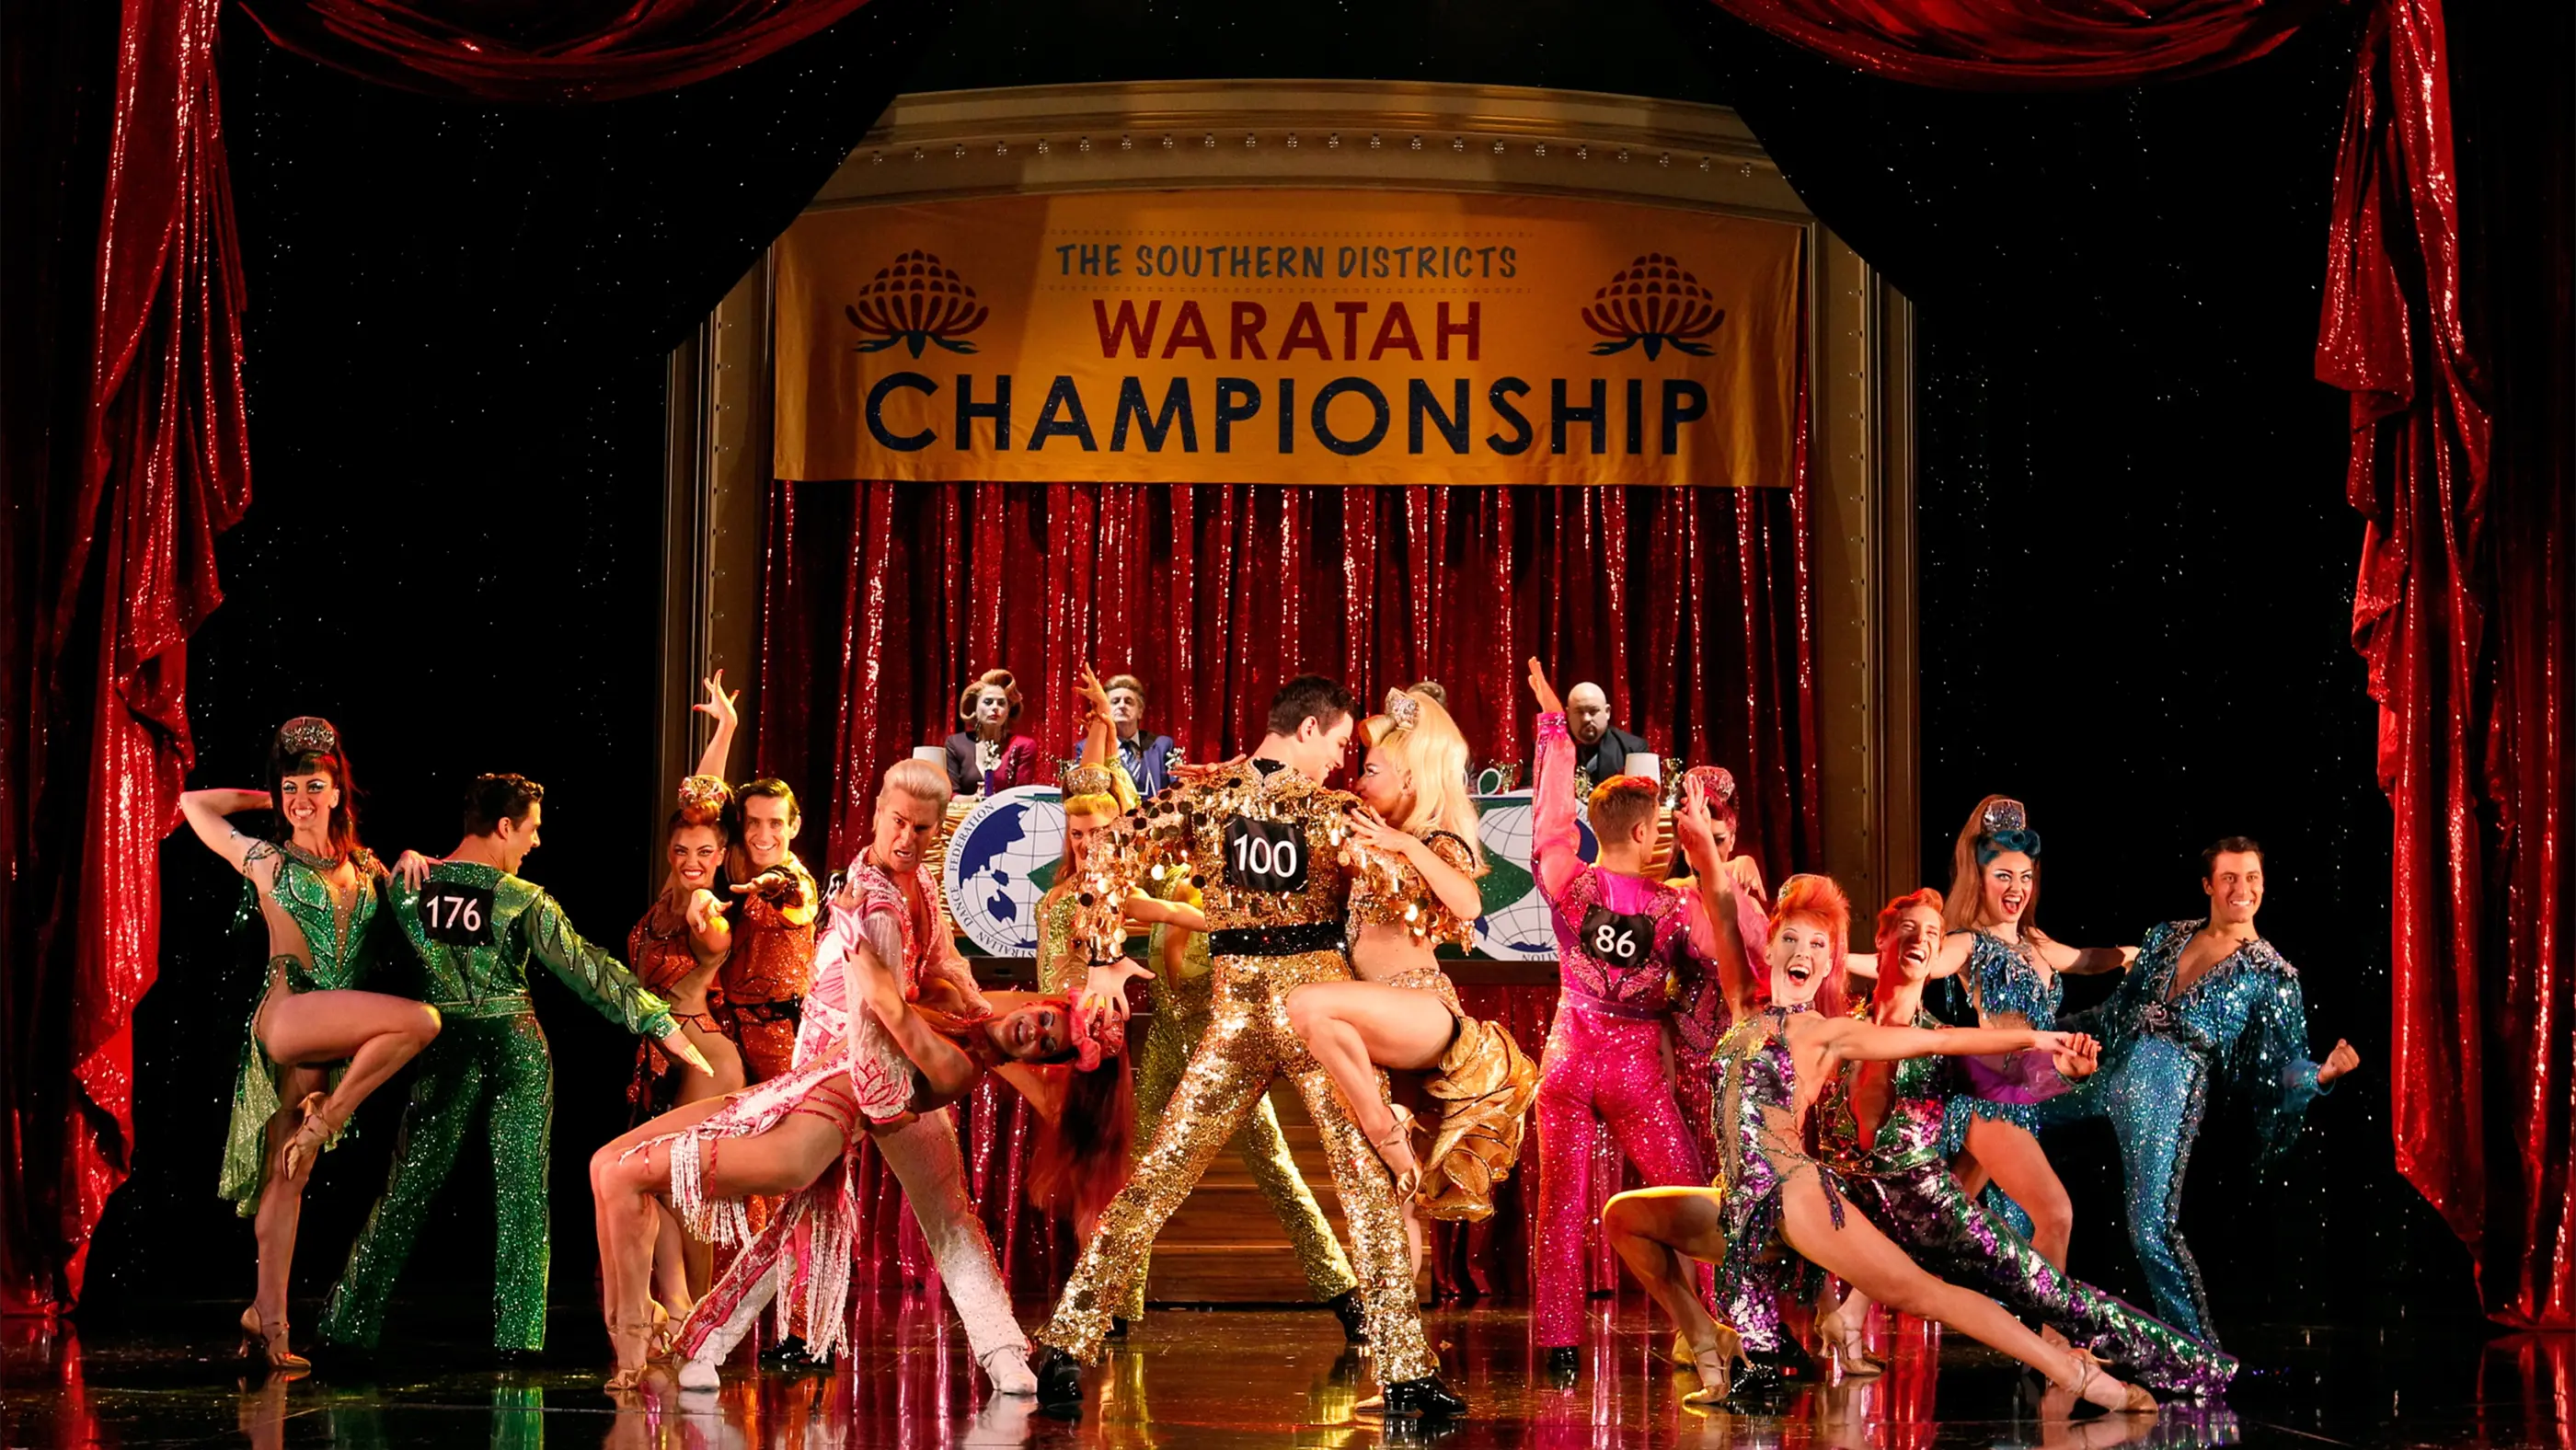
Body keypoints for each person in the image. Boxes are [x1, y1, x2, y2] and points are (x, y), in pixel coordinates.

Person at [592, 758, 1130, 1395]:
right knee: (802, 1211)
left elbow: (934, 974)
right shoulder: (867, 897)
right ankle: (705, 1342)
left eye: (923, 829)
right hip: (838, 1075)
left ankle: (1005, 1354)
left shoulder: (918, 892)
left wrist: (966, 1004)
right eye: (899, 822)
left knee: (947, 1216)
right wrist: (904, 978)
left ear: (936, 832)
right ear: (876, 812)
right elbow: (888, 1008)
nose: (907, 837)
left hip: (891, 1075)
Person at [1029, 675, 1466, 1421]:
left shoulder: (1201, 795)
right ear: (1307, 731)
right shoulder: (1337, 812)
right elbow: (1434, 906)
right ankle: (1404, 1374)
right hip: (1314, 1011)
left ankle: (1065, 1346)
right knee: (1362, 1181)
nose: (1338, 760)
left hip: (1236, 1011)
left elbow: (1104, 856)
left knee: (1157, 1178)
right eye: (1335, 744)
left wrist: (1101, 953)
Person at [1597, 855, 2156, 1414]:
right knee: (1624, 1217)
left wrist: (2042, 1042)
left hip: (1797, 1198)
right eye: (1792, 939)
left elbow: (1939, 1043)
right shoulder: (1746, 1010)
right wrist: (1710, 855)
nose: (1804, 954)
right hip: (1741, 1205)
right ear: (1769, 949)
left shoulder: (1828, 1033)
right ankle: (1708, 1342)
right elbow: (1722, 911)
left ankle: (2080, 1377)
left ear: (1828, 968)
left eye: (1820, 948)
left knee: (1923, 1293)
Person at [316, 773, 710, 1354]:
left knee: (407, 1190)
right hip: (514, 1049)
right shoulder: (519, 898)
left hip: (446, 1043)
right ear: (504, 827)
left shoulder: (405, 886)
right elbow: (587, 969)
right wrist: (661, 1023)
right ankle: (519, 1341)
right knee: (522, 1196)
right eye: (531, 830)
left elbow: (354, 940)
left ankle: (344, 1328)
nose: (536, 843)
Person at [1030, 671, 1363, 1335]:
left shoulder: (1195, 890)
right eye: (1075, 834)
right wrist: (1099, 969)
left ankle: (1346, 1297)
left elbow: (1128, 829)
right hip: (1164, 1053)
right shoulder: (1093, 896)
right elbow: (1112, 839)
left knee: (1278, 1171)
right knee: (1141, 1180)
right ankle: (1112, 1309)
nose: (1085, 843)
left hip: (1229, 1038)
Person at [1806, 888, 2236, 1399]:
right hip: (1859, 1219)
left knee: (2049, 1289)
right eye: (1908, 929)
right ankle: (1835, 1320)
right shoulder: (1833, 1030)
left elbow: (2007, 1074)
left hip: (1939, 1216)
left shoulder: (1945, 1044)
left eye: (1931, 934)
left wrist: (2061, 1066)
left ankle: (2190, 1367)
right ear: (1881, 939)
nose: (1920, 940)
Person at [178, 718, 443, 1374]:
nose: (301, 799)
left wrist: (412, 860)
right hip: (288, 1014)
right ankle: (330, 1118)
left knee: (287, 1178)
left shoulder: (367, 867)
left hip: (330, 1039)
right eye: (291, 786)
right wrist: (270, 797)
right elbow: (193, 806)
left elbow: (425, 902)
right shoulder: (266, 860)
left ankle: (269, 1321)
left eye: (313, 786)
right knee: (420, 1022)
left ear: (337, 791)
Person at [2038, 837, 2362, 1342]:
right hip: (2109, 1063)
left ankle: (2198, 1352)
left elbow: (2281, 1066)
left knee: (2149, 1231)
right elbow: (2114, 1010)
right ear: (2209, 885)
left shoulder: (2271, 975)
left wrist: (2321, 1076)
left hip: (2167, 1089)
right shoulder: (2168, 936)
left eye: (2252, 878)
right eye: (2230, 878)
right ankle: (2009, 1281)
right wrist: (2042, 1036)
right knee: (2012, 1114)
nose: (2243, 889)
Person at [1281, 686, 1536, 1246]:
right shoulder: (1364, 840)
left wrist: (1405, 844)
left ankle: (1383, 1128)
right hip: (1378, 1018)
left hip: (1424, 1009)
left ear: (1410, 780)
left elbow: (1468, 902)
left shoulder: (1434, 840)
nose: (1360, 781)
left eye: (1371, 770)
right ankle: (1394, 1328)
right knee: (1396, 1209)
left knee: (1305, 1002)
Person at [1523, 660, 1719, 1380]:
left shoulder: (1566, 879)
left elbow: (1547, 821)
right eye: (1660, 827)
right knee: (1691, 1197)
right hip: (1634, 1068)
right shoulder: (1676, 907)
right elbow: (1725, 963)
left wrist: (1552, 726)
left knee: (1561, 1205)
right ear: (1642, 832)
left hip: (1570, 1056)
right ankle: (1727, 1328)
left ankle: (1559, 1348)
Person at [1850, 796, 2133, 1269]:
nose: (2017, 888)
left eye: (2025, 877)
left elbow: (2087, 959)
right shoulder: (1967, 942)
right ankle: (2053, 1338)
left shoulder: (2036, 942)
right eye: (2003, 875)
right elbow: (1914, 962)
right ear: (1980, 879)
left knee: (1936, 1218)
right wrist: (1832, 961)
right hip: (1994, 1097)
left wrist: (2141, 955)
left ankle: (1853, 1307)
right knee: (2056, 1214)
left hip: (2033, 1095)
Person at [719, 778, 819, 1084]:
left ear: (794, 826)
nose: (764, 835)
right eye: (755, 823)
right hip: (727, 1025)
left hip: (779, 1034)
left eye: (776, 823)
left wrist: (771, 883)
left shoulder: (799, 882)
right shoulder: (734, 862)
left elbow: (788, 888)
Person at [1072, 673, 1182, 800]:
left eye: (1128, 702)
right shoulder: (1088, 748)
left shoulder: (1162, 746)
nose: (1122, 706)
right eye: (1115, 701)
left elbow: (1178, 789)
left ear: (1140, 711)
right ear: (1105, 710)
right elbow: (1084, 795)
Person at [944, 668, 1041, 798]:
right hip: (964, 816)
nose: (995, 707)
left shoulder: (1024, 746)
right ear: (975, 708)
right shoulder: (955, 743)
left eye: (1001, 703)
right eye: (988, 702)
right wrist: (974, 799)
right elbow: (950, 795)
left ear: (1008, 710)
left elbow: (1022, 796)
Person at [1556, 679, 1650, 791]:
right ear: (1568, 714)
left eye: (1593, 711)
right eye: (1579, 712)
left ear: (1607, 712)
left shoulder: (1634, 749)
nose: (1586, 719)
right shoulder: (1552, 750)